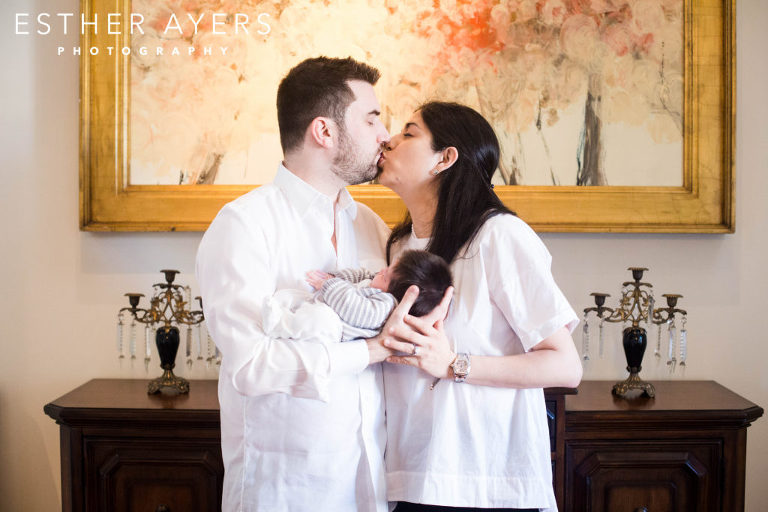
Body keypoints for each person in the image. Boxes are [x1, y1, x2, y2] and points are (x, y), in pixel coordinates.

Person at [196, 56, 400, 512]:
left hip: (370, 486)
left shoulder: (371, 226)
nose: (384, 134)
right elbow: (252, 366)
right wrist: (368, 350)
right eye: (371, 118)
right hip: (286, 491)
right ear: (324, 132)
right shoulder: (244, 226)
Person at [373, 102, 583, 512]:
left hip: (486, 483)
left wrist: (454, 363)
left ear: (445, 158)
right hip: (408, 480)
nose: (389, 139)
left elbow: (565, 365)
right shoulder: (397, 246)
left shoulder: (499, 236)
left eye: (409, 133)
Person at [263, 249, 453, 343]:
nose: (381, 271)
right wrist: (334, 276)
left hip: (334, 328)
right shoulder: (377, 283)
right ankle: (280, 306)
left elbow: (354, 308)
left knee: (318, 320)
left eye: (386, 276)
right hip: (321, 304)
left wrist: (329, 284)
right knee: (294, 296)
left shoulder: (384, 306)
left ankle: (280, 325)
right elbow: (361, 274)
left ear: (397, 297)